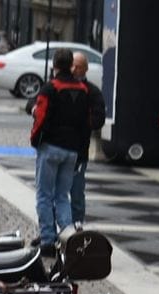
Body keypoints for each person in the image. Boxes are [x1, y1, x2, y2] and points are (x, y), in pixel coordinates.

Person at [30, 48, 89, 249]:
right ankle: (67, 234)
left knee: (44, 195)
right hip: (72, 148)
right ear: (71, 65)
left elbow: (40, 116)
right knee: (63, 196)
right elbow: (85, 123)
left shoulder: (50, 88)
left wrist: (35, 139)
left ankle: (47, 238)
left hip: (51, 145)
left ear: (54, 65)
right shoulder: (83, 89)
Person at [69, 50, 106, 224]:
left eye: (78, 66)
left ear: (85, 69)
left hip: (79, 149)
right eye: (72, 65)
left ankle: (77, 223)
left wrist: (83, 123)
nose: (74, 69)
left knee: (76, 190)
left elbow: (99, 119)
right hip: (61, 146)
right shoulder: (60, 85)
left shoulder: (92, 92)